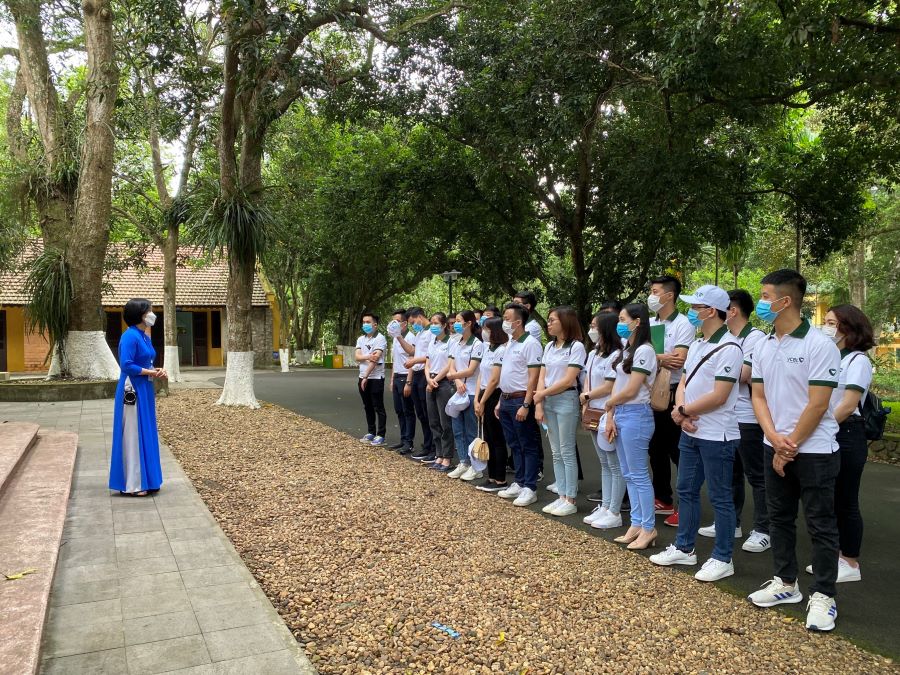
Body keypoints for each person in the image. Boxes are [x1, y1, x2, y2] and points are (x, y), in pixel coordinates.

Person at [747, 269, 841, 632]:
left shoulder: (819, 344)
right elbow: (758, 396)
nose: (761, 302)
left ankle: (824, 595)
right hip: (774, 445)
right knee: (779, 517)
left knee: (820, 523)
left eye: (765, 296)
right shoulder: (763, 345)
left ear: (785, 301)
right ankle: (786, 582)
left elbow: (818, 404)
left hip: (815, 450)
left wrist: (788, 447)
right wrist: (774, 437)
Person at [649, 285, 744, 582]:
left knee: (720, 496)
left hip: (718, 434)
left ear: (711, 311)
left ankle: (723, 557)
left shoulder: (730, 347)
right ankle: (684, 547)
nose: (691, 312)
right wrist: (681, 411)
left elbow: (719, 395)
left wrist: (683, 411)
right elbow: (684, 382)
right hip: (691, 430)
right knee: (686, 489)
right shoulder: (699, 344)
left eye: (695, 307)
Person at [804, 304, 875, 583]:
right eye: (826, 321)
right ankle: (833, 557)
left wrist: (819, 426)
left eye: (833, 323)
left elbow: (848, 404)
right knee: (828, 499)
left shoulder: (857, 361)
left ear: (849, 327)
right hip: (829, 430)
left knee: (846, 499)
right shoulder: (830, 356)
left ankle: (850, 561)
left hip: (846, 433)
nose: (827, 327)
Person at [697, 290, 770, 553]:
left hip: (748, 416)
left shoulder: (755, 338)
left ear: (733, 311)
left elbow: (744, 375)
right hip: (727, 417)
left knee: (757, 475)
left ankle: (763, 529)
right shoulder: (726, 339)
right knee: (732, 473)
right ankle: (732, 522)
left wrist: (719, 373)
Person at [605, 303, 658, 550]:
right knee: (629, 473)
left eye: (623, 319)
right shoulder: (627, 349)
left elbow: (633, 388)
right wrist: (611, 414)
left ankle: (648, 527)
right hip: (623, 413)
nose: (620, 323)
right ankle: (637, 523)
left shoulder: (644, 350)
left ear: (637, 322)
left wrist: (609, 404)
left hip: (637, 414)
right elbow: (619, 385)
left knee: (638, 475)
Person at [647, 275, 695, 527]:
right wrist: (661, 357)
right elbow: (637, 355)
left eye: (655, 291)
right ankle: (662, 498)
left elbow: (679, 360)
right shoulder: (650, 322)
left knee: (677, 449)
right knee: (655, 448)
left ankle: (685, 504)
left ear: (669, 295)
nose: (651, 296)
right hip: (651, 390)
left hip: (675, 390)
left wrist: (653, 356)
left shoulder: (683, 323)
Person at [109, 298, 167, 496]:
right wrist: (150, 372)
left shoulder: (144, 336)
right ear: (140, 315)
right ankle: (133, 484)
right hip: (131, 388)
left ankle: (148, 479)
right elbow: (126, 365)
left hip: (145, 388)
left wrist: (155, 369)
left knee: (145, 430)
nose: (152, 314)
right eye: (149, 310)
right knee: (133, 433)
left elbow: (145, 361)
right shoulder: (129, 336)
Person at [534, 306, 586, 516]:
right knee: (556, 452)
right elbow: (542, 376)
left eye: (552, 320)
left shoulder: (576, 347)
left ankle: (570, 498)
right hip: (548, 400)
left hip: (566, 399)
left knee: (566, 450)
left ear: (565, 321)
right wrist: (539, 402)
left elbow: (568, 379)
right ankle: (562, 495)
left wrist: (541, 394)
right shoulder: (549, 346)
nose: (548, 324)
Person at [496, 303, 544, 506]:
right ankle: (519, 480)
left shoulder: (530, 343)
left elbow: (533, 377)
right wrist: (499, 401)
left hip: (520, 399)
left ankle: (530, 487)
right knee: (514, 444)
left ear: (518, 322)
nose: (504, 322)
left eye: (507, 319)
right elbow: (507, 373)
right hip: (506, 398)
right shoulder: (510, 343)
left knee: (528, 444)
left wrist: (526, 404)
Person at [581, 312, 625, 529]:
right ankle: (606, 505)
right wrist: (586, 402)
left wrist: (587, 396)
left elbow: (610, 386)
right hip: (593, 411)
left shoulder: (617, 355)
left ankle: (614, 510)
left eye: (594, 326)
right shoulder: (593, 353)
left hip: (608, 412)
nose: (591, 330)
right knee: (605, 463)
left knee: (615, 464)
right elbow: (587, 380)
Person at [447, 311, 485, 480]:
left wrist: (453, 377)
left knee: (471, 431)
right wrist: (457, 381)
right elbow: (451, 366)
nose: (455, 324)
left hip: (471, 392)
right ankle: (464, 462)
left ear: (469, 323)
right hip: (459, 392)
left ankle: (476, 467)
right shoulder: (456, 342)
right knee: (457, 429)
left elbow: (471, 370)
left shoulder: (477, 344)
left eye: (458, 321)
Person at [474, 317, 510, 491]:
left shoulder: (502, 350)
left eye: (486, 329)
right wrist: (477, 399)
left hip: (494, 395)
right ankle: (491, 476)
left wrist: (482, 401)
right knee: (487, 437)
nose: (483, 332)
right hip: (483, 393)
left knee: (497, 438)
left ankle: (500, 479)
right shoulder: (488, 348)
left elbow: (495, 379)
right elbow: (481, 375)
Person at [424, 313, 455, 472]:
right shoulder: (432, 342)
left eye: (436, 323)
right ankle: (439, 454)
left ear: (444, 325)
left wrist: (435, 380)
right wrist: (429, 379)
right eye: (431, 323)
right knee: (433, 421)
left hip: (443, 383)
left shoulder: (451, 342)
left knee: (445, 422)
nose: (433, 326)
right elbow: (427, 364)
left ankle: (447, 456)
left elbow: (449, 365)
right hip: (431, 382)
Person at [405, 307, 435, 462]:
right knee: (421, 413)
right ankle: (427, 445)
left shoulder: (431, 332)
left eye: (413, 322)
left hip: (425, 373)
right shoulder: (419, 333)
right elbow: (414, 352)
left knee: (429, 413)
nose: (413, 325)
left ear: (419, 317)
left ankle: (434, 448)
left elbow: (430, 356)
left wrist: (415, 360)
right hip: (416, 373)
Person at [355, 312, 388, 446]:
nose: (365, 325)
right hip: (362, 376)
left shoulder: (380, 339)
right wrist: (368, 356)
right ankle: (371, 432)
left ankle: (381, 434)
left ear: (375, 324)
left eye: (368, 322)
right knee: (367, 405)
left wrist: (366, 376)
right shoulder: (360, 339)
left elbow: (375, 359)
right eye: (364, 322)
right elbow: (357, 357)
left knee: (378, 406)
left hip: (376, 377)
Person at [387, 309, 416, 454]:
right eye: (393, 321)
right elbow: (395, 360)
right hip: (397, 376)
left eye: (397, 321)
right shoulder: (395, 338)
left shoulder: (410, 337)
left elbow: (412, 359)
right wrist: (392, 379)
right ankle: (403, 439)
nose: (394, 324)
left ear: (405, 323)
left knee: (408, 411)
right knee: (399, 410)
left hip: (406, 376)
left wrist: (409, 382)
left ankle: (409, 442)